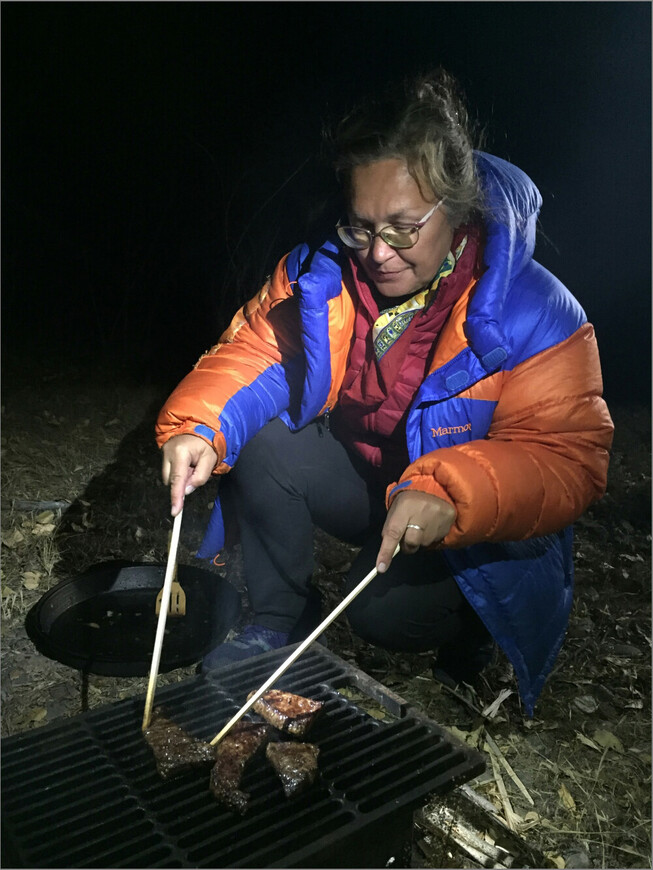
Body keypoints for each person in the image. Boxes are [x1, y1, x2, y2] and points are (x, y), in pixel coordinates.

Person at [156, 69, 613, 715]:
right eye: (360, 227)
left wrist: (453, 493)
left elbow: (568, 457)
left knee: (386, 619)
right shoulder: (321, 274)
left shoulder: (534, 312)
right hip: (372, 485)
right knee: (259, 438)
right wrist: (196, 426)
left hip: (469, 520)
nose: (377, 253)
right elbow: (255, 352)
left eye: (402, 227)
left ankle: (472, 635)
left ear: (454, 209)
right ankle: (276, 617)